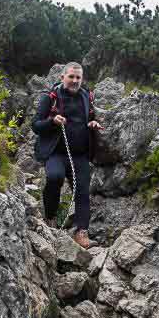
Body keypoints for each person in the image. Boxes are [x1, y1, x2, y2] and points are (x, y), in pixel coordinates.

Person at [31, 62, 103, 249]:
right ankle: (51, 218)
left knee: (82, 191)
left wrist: (93, 123)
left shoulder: (87, 97)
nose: (75, 81)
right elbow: (36, 126)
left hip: (80, 154)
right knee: (54, 177)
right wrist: (52, 121)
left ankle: (81, 233)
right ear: (62, 77)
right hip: (55, 151)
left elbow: (91, 117)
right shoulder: (50, 98)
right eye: (71, 76)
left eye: (78, 77)